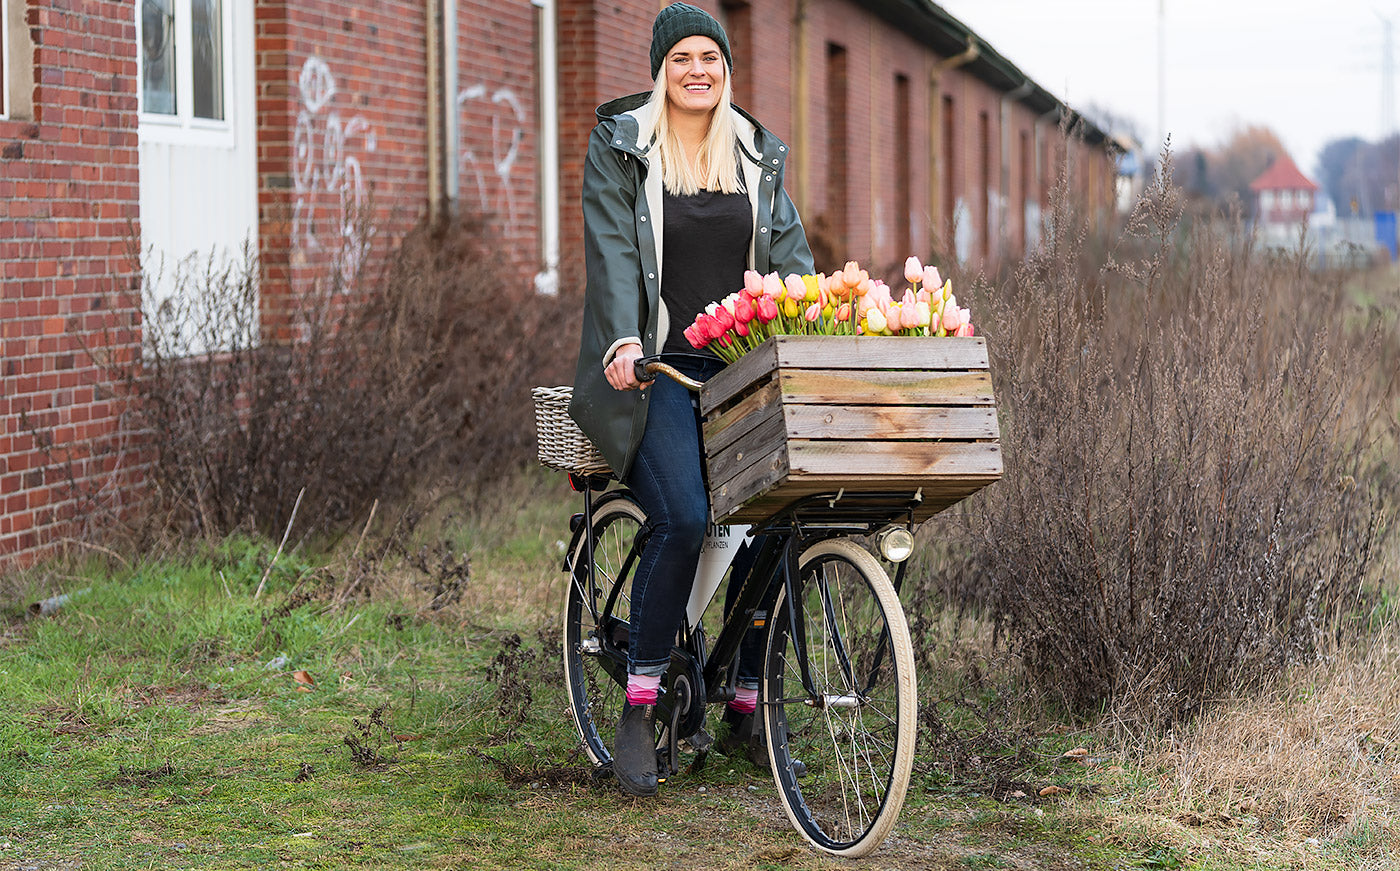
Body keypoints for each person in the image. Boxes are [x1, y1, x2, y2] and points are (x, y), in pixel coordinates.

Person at [568, 2, 815, 797]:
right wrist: (621, 343)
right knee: (679, 514)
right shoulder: (622, 149)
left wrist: (821, 319)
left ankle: (747, 703)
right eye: (682, 58)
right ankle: (640, 707)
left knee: (787, 515)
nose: (698, 70)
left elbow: (791, 263)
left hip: (739, 374)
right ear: (659, 69)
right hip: (655, 373)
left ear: (727, 68)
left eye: (711, 56)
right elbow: (610, 255)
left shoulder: (755, 152)